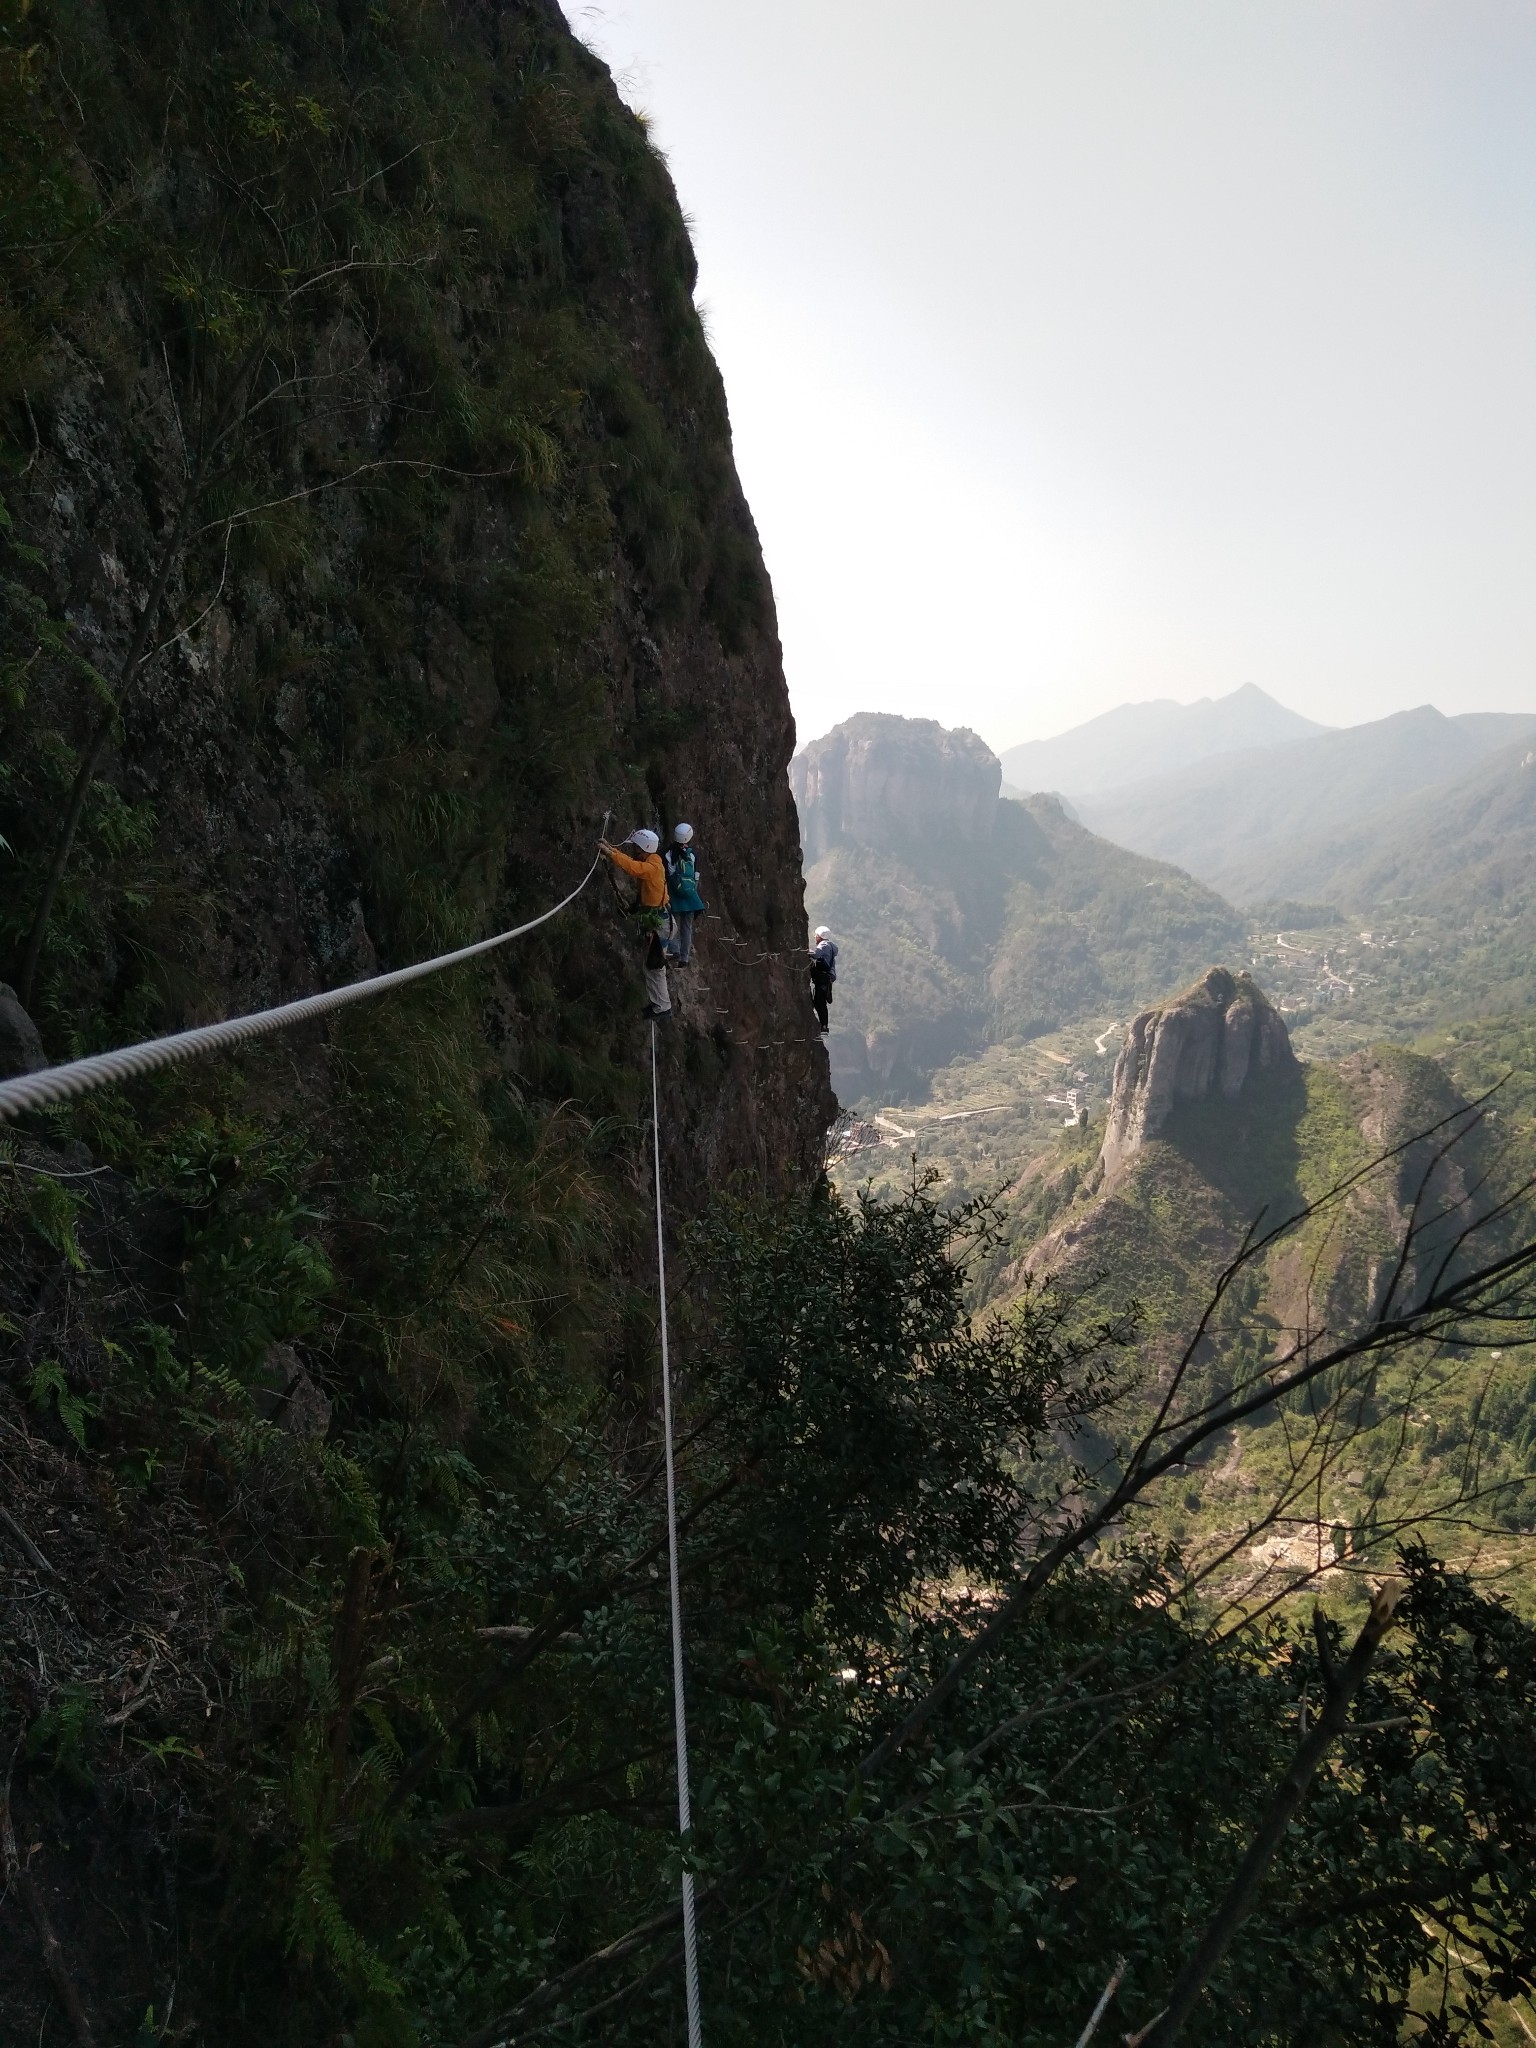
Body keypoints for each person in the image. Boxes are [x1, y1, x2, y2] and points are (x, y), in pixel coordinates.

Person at [601, 828, 672, 1019]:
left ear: (645, 848)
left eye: (638, 849)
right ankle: (660, 1004)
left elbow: (633, 868)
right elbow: (635, 866)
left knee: (654, 967)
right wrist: (611, 849)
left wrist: (610, 854)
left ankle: (662, 1007)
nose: (635, 852)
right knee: (652, 966)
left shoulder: (652, 867)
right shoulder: (653, 861)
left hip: (660, 925)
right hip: (659, 921)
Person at [663, 822, 706, 965]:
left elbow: (667, 875)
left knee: (672, 924)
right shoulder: (692, 854)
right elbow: (696, 876)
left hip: (674, 894)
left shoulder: (668, 854)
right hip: (690, 896)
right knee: (687, 927)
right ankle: (684, 958)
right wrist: (692, 892)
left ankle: (674, 950)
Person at [809, 925, 838, 1034]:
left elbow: (816, 955)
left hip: (823, 978)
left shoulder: (824, 945)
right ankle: (824, 1026)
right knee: (820, 1002)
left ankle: (824, 1027)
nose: (815, 938)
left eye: (816, 936)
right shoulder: (830, 947)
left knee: (819, 1002)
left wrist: (806, 951)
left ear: (820, 936)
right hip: (827, 979)